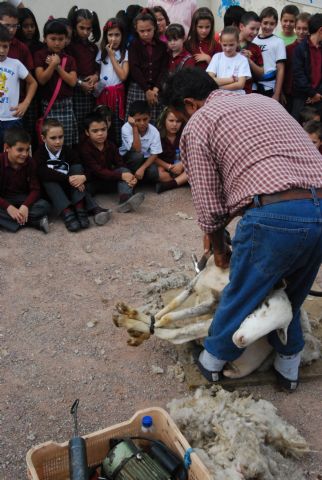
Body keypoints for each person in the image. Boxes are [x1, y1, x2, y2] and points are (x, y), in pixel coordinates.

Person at [162, 67, 322, 391]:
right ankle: (288, 368)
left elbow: (208, 205)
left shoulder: (199, 124)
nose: (180, 120)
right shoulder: (267, 103)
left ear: (190, 104)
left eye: (178, 114)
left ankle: (212, 361)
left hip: (275, 215)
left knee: (242, 292)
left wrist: (220, 251)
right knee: (289, 295)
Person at [34, 118, 110, 232]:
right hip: (53, 192)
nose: (58, 141)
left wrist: (82, 177)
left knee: (77, 168)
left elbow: (86, 168)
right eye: (53, 138)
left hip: (70, 188)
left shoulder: (68, 151)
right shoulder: (39, 154)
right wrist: (68, 179)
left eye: (61, 137)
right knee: (48, 178)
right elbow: (42, 172)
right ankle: (67, 212)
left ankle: (80, 209)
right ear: (43, 138)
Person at [79, 112, 145, 213]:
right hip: (93, 182)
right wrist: (122, 176)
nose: (100, 133)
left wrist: (130, 177)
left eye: (103, 129)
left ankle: (125, 201)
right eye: (95, 131)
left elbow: (120, 163)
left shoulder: (110, 145)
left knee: (124, 170)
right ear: (87, 132)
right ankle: (96, 210)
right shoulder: (85, 149)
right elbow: (98, 171)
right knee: (81, 189)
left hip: (109, 180)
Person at [34, 19, 78, 147]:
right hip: (48, 105)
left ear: (66, 39)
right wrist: (52, 65)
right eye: (53, 39)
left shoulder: (69, 59)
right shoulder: (40, 56)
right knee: (51, 141)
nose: (57, 43)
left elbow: (73, 81)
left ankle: (66, 164)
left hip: (66, 106)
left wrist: (57, 67)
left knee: (66, 142)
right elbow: (41, 79)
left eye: (61, 39)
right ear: (45, 38)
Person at [0, 126, 50, 233]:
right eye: (20, 150)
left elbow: (35, 189)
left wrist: (25, 205)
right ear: (7, 147)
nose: (25, 154)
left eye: (27, 150)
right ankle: (35, 223)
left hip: (22, 198)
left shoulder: (30, 162)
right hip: (3, 199)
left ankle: (12, 220)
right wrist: (8, 207)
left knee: (44, 206)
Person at [126, 8, 168, 126]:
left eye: (149, 30)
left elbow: (163, 69)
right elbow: (134, 68)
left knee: (155, 123)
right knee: (136, 123)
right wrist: (146, 90)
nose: (145, 34)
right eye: (142, 31)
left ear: (155, 27)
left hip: (156, 90)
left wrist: (155, 89)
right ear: (136, 30)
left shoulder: (162, 46)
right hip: (138, 88)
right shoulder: (134, 45)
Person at [0, 24, 37, 150]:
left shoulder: (15, 64)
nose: (2, 50)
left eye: (5, 46)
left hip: (12, 119)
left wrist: (25, 103)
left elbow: (33, 83)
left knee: (11, 155)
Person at [95, 18, 129, 146]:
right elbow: (99, 71)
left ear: (122, 36)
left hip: (116, 95)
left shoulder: (124, 53)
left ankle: (117, 151)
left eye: (117, 35)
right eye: (110, 35)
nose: (113, 39)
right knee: (103, 124)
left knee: (116, 124)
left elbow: (123, 75)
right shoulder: (102, 52)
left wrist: (113, 56)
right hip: (103, 92)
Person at [67, 7, 100, 129]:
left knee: (91, 122)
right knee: (77, 124)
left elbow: (98, 67)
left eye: (89, 28)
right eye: (82, 28)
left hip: (91, 90)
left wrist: (96, 76)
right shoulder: (69, 46)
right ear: (75, 26)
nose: (85, 32)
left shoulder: (93, 48)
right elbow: (67, 71)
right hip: (75, 90)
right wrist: (80, 83)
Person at [120, 100, 161, 185]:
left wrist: (142, 168)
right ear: (131, 119)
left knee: (153, 171)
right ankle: (129, 177)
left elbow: (154, 154)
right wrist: (134, 127)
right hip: (127, 158)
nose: (142, 123)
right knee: (138, 156)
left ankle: (137, 180)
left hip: (143, 159)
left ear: (150, 117)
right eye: (138, 120)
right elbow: (137, 149)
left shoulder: (154, 131)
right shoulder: (126, 128)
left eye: (145, 119)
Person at [292, 13, 322, 122]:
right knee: (298, 129)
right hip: (302, 98)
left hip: (319, 98)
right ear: (320, 30)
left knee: (317, 132)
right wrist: (311, 93)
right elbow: (298, 75)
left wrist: (317, 95)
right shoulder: (300, 49)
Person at [253, 7, 286, 101]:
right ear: (260, 23)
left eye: (272, 24)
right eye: (265, 23)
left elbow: (280, 69)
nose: (268, 26)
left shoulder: (278, 42)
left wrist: (277, 93)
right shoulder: (253, 40)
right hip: (253, 86)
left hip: (269, 88)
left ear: (276, 24)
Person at [207, 26, 251, 94]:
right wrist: (231, 80)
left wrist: (219, 87)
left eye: (231, 45)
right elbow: (210, 80)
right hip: (219, 95)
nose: (227, 48)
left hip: (237, 95)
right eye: (224, 45)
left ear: (238, 42)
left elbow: (240, 85)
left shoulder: (242, 59)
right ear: (220, 42)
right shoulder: (217, 57)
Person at [155, 107, 188, 193]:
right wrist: (168, 167)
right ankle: (181, 181)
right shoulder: (157, 134)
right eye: (171, 121)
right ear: (164, 120)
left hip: (182, 165)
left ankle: (169, 185)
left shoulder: (185, 133)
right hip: (165, 165)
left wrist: (182, 164)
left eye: (178, 121)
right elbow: (153, 157)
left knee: (193, 169)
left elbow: (192, 153)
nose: (174, 125)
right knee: (159, 174)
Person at [283, 12, 311, 113]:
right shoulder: (288, 49)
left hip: (306, 95)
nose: (301, 32)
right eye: (298, 28)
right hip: (288, 94)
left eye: (305, 29)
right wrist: (281, 92)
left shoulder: (313, 50)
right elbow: (283, 72)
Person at [238, 11, 264, 94]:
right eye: (252, 28)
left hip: (247, 92)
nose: (255, 32)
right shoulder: (228, 44)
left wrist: (249, 61)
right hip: (227, 90)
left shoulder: (256, 48)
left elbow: (261, 73)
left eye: (257, 29)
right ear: (241, 26)